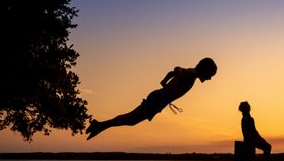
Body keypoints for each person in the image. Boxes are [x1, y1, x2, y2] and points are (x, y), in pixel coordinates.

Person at [86, 58, 217, 139]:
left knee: (132, 120)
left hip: (159, 99)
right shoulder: (192, 74)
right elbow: (177, 70)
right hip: (158, 99)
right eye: (210, 74)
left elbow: (175, 69)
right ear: (205, 69)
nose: (210, 78)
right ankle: (99, 125)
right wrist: (169, 83)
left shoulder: (190, 72)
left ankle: (100, 126)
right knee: (131, 119)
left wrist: (165, 80)